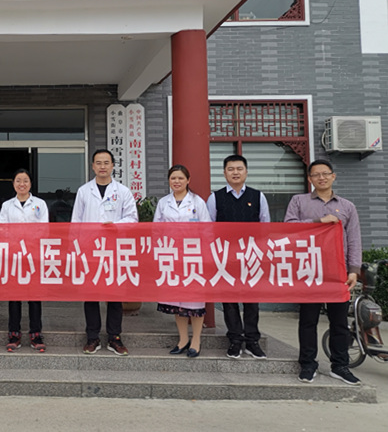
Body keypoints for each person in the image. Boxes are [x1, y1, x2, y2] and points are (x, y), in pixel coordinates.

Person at [284, 159, 362, 385]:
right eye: (316, 175)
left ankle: (340, 365)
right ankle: (308, 364)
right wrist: (318, 221)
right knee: (308, 320)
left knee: (339, 322)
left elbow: (354, 239)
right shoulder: (299, 201)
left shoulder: (347, 206)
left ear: (333, 176)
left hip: (337, 272)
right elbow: (288, 227)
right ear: (310, 179)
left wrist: (354, 270)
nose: (321, 178)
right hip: (309, 270)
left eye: (325, 174)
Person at [71, 149, 138, 355]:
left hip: (114, 250)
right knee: (91, 295)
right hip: (90, 250)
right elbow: (76, 222)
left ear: (112, 166)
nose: (102, 166)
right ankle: (92, 337)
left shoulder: (123, 191)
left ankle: (114, 337)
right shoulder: (84, 191)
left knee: (114, 295)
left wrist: (115, 225)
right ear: (92, 166)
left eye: (106, 163)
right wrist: (76, 250)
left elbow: (132, 219)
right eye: (98, 163)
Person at [206, 154, 270, 359]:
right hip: (225, 257)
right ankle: (235, 339)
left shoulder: (258, 196)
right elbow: (209, 229)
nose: (235, 172)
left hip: (251, 256)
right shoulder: (215, 198)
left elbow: (265, 227)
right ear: (224, 173)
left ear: (246, 172)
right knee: (229, 300)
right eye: (231, 169)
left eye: (239, 169)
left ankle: (252, 340)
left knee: (252, 301)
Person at [154, 165, 211, 358]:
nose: (176, 182)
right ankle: (183, 339)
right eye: (173, 178)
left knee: (194, 301)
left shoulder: (197, 202)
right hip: (170, 255)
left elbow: (207, 229)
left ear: (188, 180)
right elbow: (156, 230)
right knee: (177, 300)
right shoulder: (163, 202)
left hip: (193, 256)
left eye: (180, 178)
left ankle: (196, 340)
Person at [0, 168, 49, 352]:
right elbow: (2, 229)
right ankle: (14, 333)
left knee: (34, 295)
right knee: (14, 296)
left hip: (34, 255)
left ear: (30, 183)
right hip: (14, 255)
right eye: (18, 180)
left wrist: (27, 238)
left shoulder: (40, 204)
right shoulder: (7, 205)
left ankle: (36, 333)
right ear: (13, 184)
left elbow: (44, 229)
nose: (22, 184)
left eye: (25, 180)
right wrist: (17, 240)